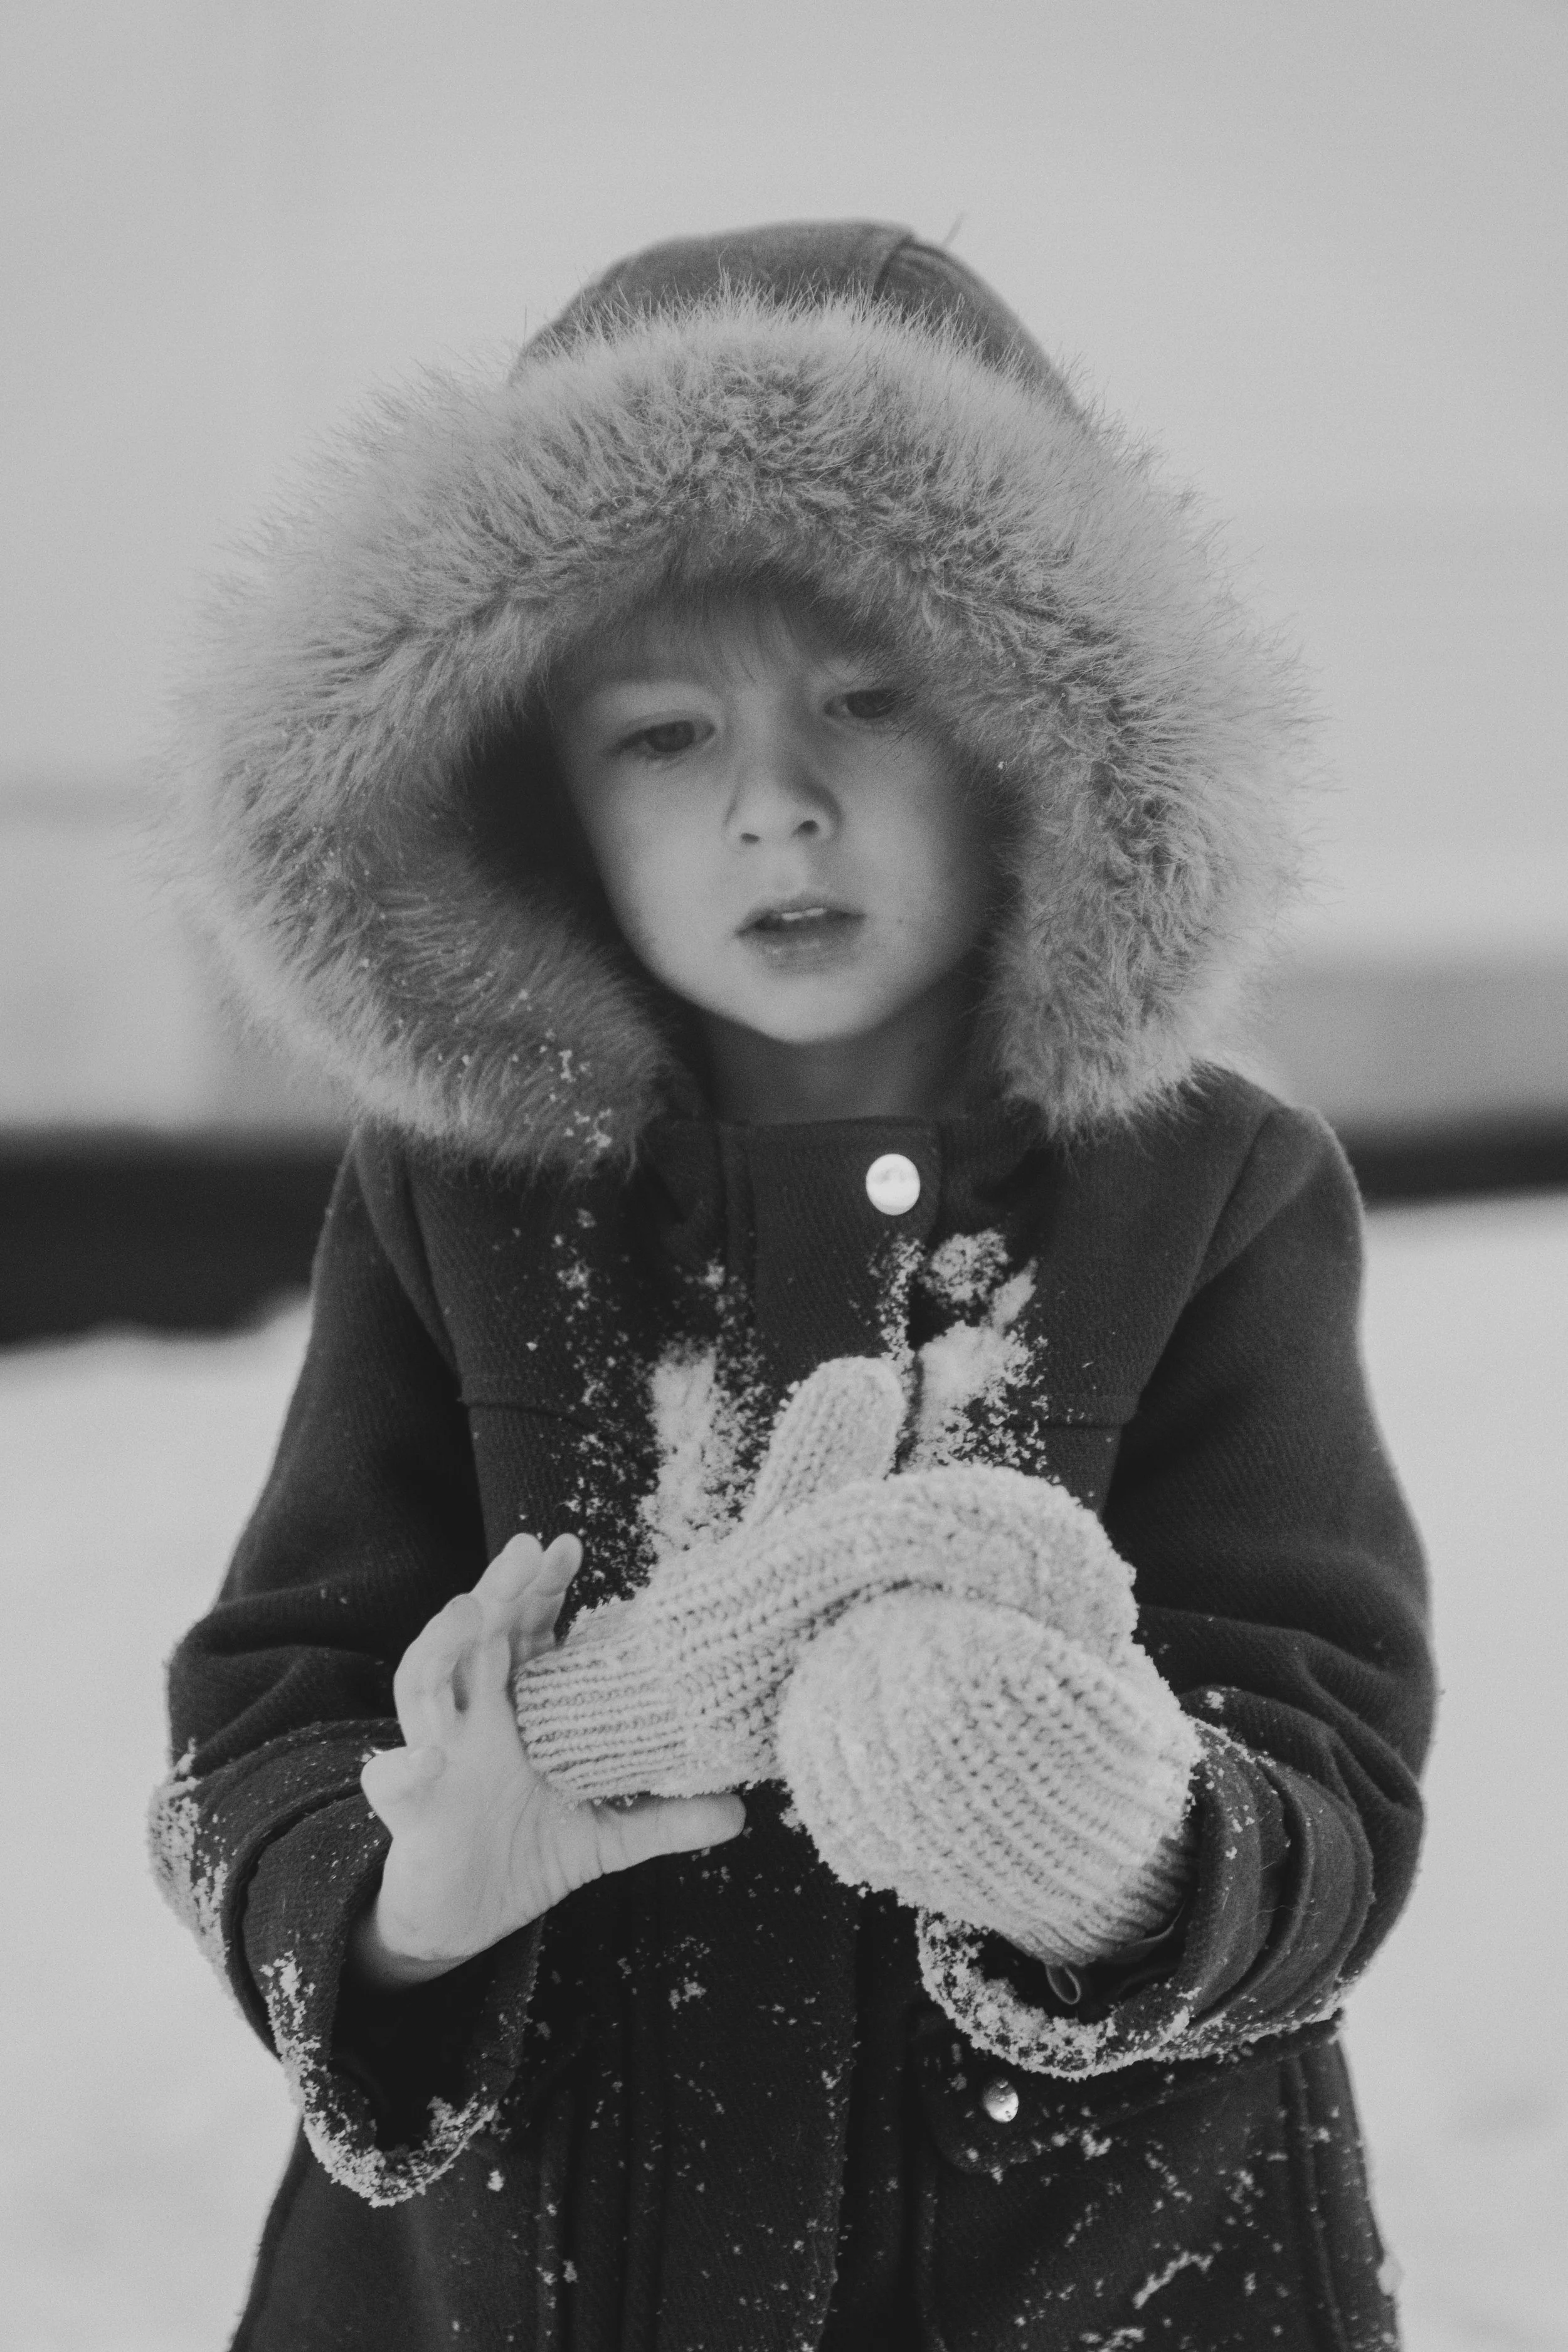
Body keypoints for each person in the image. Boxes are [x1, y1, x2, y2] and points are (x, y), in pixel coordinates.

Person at [152, 220, 1434, 2351]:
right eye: (662, 733)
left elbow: (1327, 1762)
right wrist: (401, 1891)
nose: (778, 802)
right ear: (528, 795)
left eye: (869, 699)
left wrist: (1113, 1846)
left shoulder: (1208, 1189)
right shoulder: (462, 1197)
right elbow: (264, 1725)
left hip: (1100, 2279)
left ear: (1040, 730)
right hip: (518, 2287)